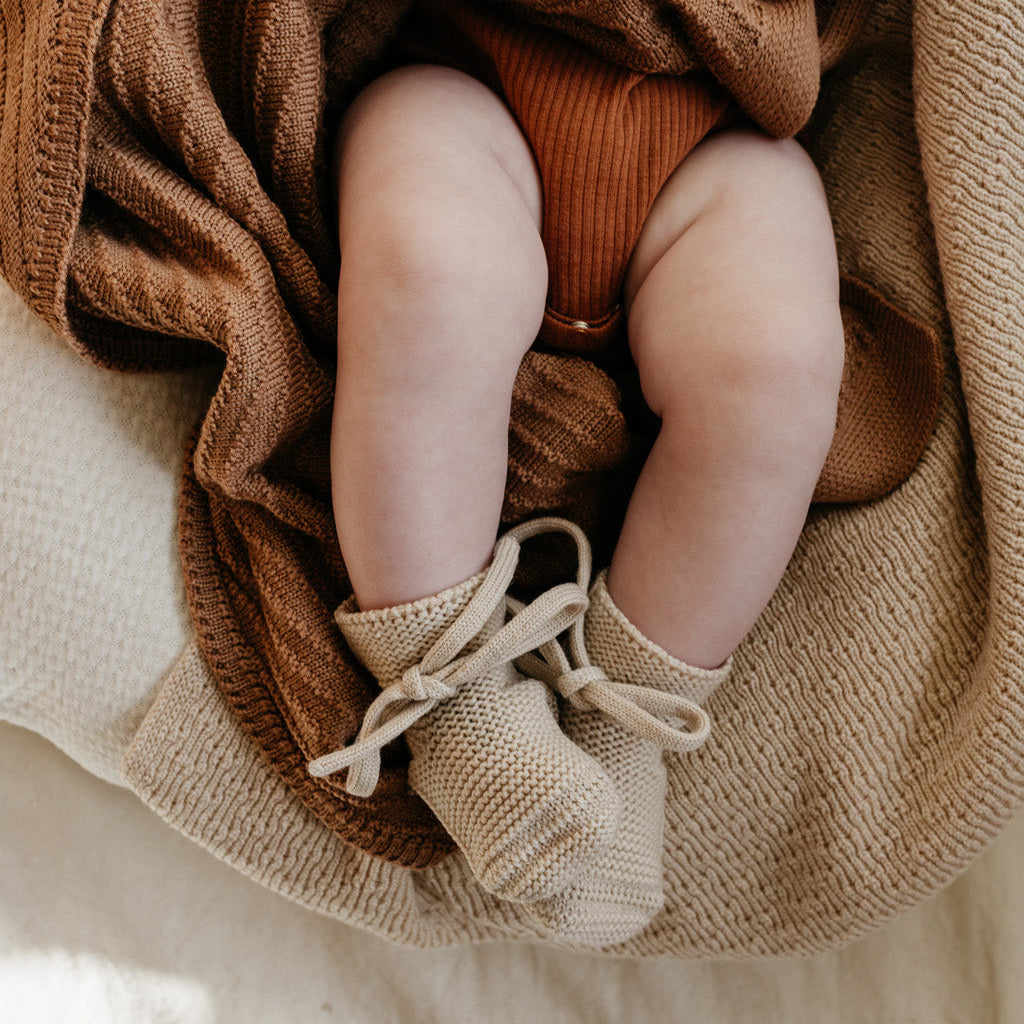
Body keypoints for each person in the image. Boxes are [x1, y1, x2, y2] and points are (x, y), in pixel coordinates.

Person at [309, 0, 844, 946]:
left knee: (776, 363)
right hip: (469, 73)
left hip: (712, 128)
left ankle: (625, 720)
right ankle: (455, 700)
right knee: (431, 266)